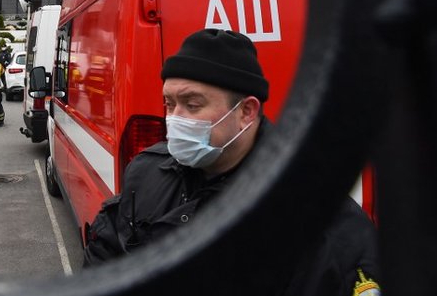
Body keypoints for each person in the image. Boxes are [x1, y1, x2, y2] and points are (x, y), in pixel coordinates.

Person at [82, 28, 381, 295]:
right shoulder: (148, 170)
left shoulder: (322, 222)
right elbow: (107, 250)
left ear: (246, 112)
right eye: (169, 104)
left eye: (192, 105)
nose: (174, 119)